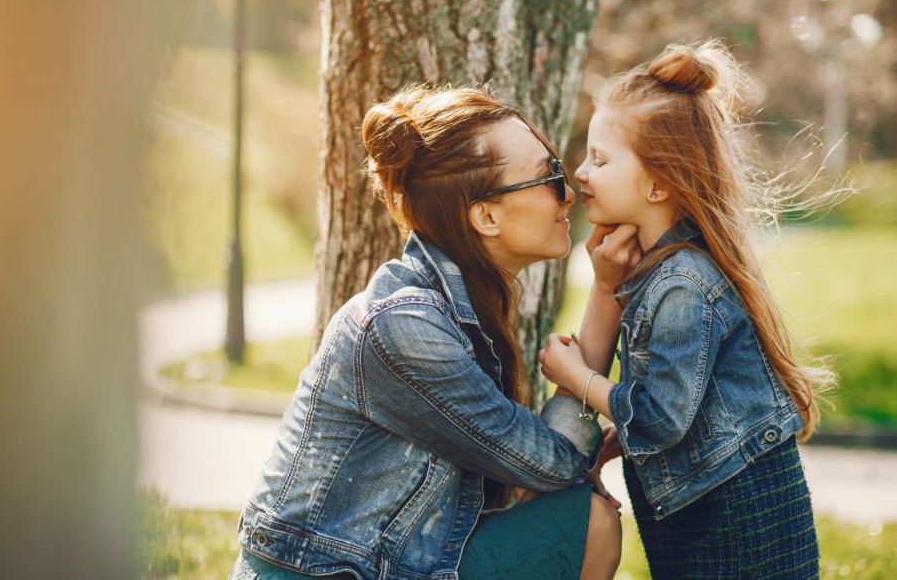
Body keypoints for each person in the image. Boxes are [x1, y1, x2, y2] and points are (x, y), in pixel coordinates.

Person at [229, 85, 636, 580]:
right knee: (588, 522)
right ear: (486, 217)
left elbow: (534, 473)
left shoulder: (461, 313)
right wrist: (603, 303)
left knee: (576, 518)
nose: (568, 193)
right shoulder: (404, 327)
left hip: (386, 567)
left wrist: (607, 287)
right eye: (549, 176)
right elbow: (549, 463)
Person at [539, 40, 834, 579]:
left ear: (658, 184)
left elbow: (661, 418)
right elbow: (685, 404)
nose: (580, 172)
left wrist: (578, 379)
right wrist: (621, 436)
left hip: (738, 522)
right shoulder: (658, 272)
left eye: (600, 159)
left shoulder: (682, 284)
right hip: (707, 508)